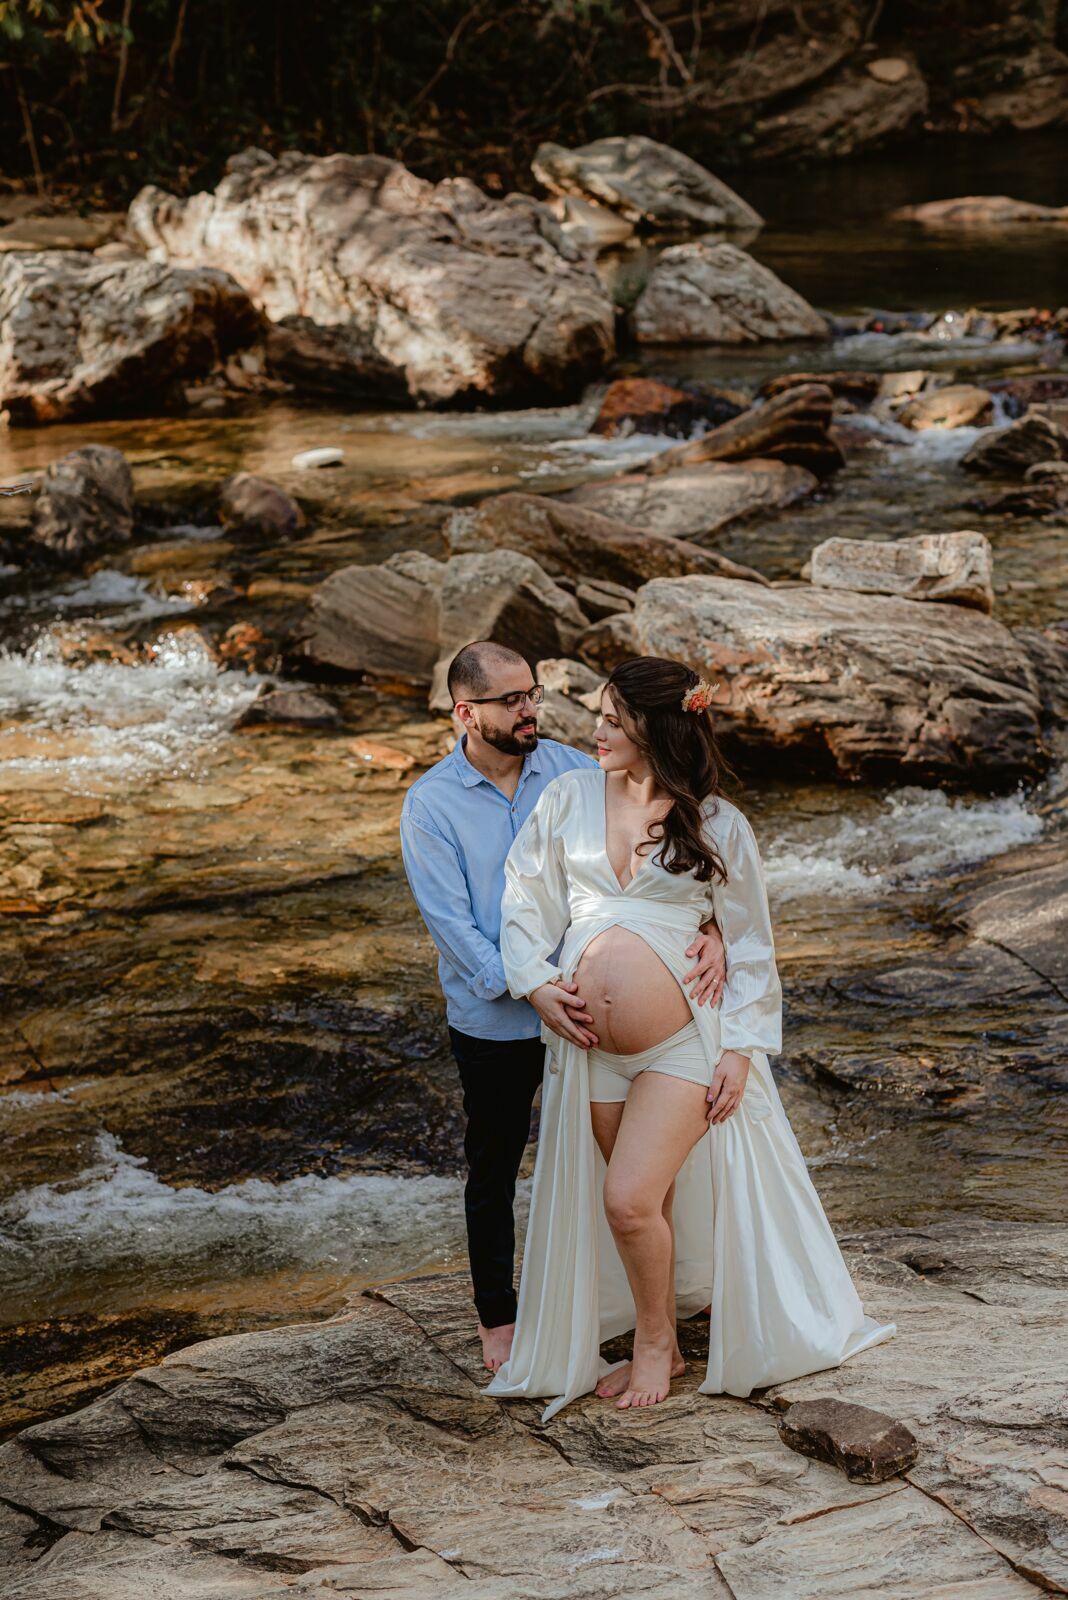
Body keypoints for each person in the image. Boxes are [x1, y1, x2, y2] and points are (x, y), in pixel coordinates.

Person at [486, 655, 896, 1418]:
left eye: (613, 721)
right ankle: (666, 1338)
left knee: (628, 1202)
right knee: (652, 1206)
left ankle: (651, 1347)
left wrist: (740, 1049)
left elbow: (752, 945)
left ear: (658, 730)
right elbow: (524, 897)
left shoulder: (717, 825)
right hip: (589, 1049)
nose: (595, 732)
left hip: (681, 1048)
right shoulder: (568, 797)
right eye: (600, 717)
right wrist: (537, 984)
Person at [399, 641, 727, 1376]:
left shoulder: (577, 771)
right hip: (502, 1016)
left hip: (593, 1031)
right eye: (511, 700)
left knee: (632, 1170)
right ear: (465, 712)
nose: (529, 710)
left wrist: (710, 929)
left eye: (532, 694)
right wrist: (533, 986)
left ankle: (678, 1293)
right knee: (495, 1163)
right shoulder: (430, 806)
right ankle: (500, 1316)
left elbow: (664, 850)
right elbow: (454, 928)